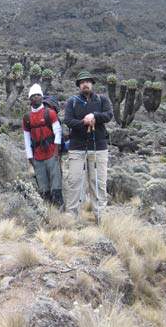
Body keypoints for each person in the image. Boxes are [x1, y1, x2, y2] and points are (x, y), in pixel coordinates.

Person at [64, 70, 113, 222]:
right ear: (79, 85)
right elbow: (68, 120)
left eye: (88, 81)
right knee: (75, 182)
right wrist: (83, 123)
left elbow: (109, 115)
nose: (85, 84)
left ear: (92, 84)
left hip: (99, 147)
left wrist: (94, 116)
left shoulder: (102, 100)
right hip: (77, 148)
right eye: (82, 82)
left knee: (98, 182)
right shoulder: (72, 102)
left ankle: (101, 216)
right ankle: (72, 215)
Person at [23, 84, 64, 208]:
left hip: (52, 154)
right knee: (43, 187)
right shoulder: (27, 118)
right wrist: (30, 157)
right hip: (37, 157)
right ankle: (47, 211)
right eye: (33, 96)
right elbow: (26, 138)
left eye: (38, 95)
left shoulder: (50, 113)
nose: (36, 97)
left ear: (42, 97)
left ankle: (60, 211)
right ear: (30, 99)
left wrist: (56, 151)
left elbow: (58, 132)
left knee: (56, 185)